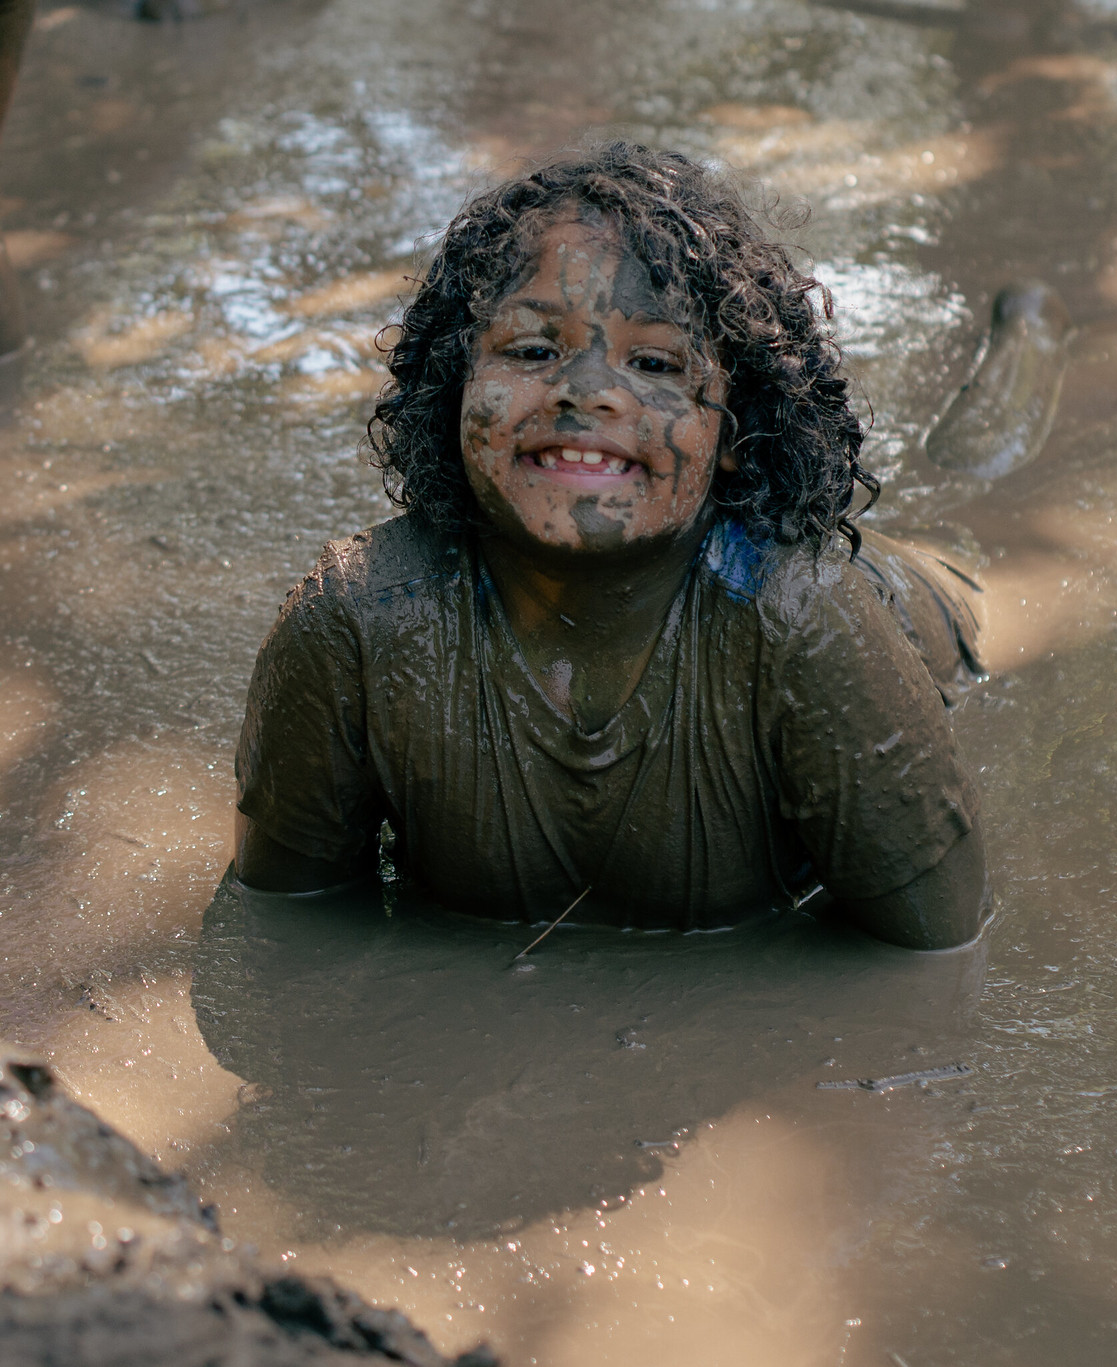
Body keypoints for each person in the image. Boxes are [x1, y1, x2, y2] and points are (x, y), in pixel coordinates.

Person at [232, 144, 989, 950]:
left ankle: (1025, 344)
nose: (587, 388)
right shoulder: (352, 622)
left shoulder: (809, 618)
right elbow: (283, 924)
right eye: (531, 350)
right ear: (454, 387)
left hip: (924, 603)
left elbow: (937, 949)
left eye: (655, 362)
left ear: (737, 428)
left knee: (981, 467)